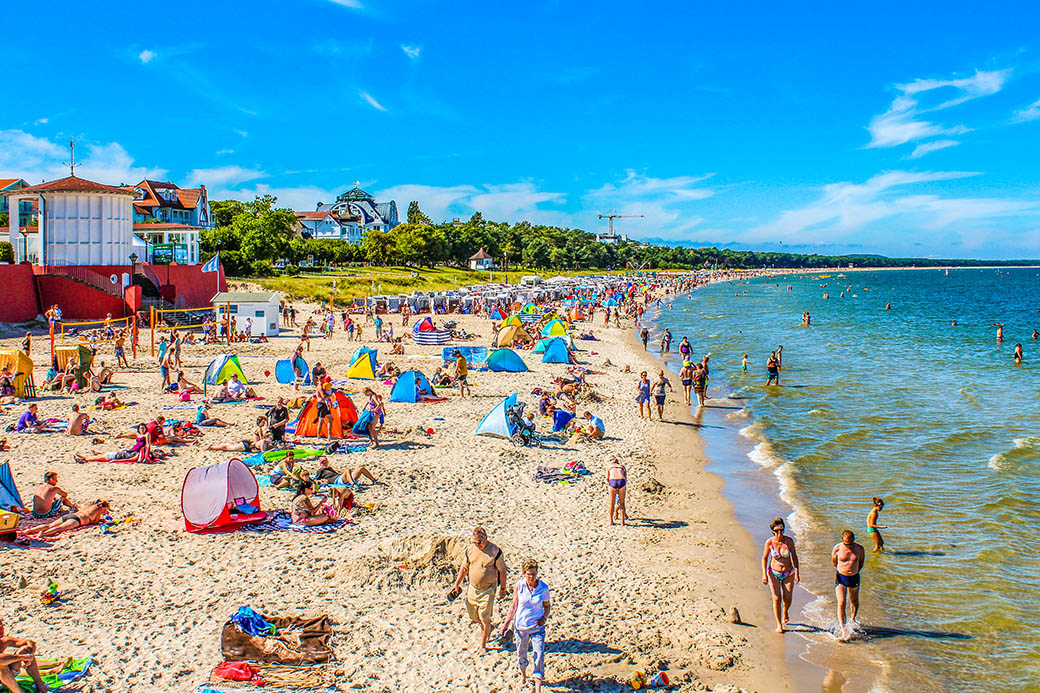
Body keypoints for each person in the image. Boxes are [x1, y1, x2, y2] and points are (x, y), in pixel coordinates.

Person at [450, 527, 508, 651]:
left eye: (480, 542)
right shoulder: (470, 550)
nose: (477, 545)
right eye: (475, 542)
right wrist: (457, 584)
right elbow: (464, 568)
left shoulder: (495, 551)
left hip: (488, 589)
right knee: (473, 615)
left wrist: (503, 588)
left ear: (485, 538)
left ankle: (483, 645)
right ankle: (488, 628)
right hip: (472, 588)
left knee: (484, 617)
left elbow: (502, 571)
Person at [498, 558, 551, 693]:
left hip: (537, 627)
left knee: (538, 654)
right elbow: (514, 606)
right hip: (521, 627)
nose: (532, 577)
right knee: (522, 654)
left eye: (534, 574)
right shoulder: (519, 586)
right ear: (524, 574)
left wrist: (544, 617)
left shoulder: (543, 588)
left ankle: (538, 686)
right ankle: (523, 676)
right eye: (529, 574)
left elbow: (547, 605)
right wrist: (506, 624)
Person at [761, 517, 799, 634]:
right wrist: (764, 574)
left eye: (782, 530)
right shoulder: (770, 542)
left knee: (787, 597)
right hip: (774, 573)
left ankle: (785, 611)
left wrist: (797, 573)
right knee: (777, 598)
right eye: (777, 530)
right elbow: (765, 558)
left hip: (788, 573)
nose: (780, 533)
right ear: (773, 531)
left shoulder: (789, 541)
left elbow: (794, 557)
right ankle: (779, 624)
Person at [0, 617, 50, 693]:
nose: (1, 630)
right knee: (2, 665)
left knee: (25, 650)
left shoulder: (4, 641)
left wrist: (29, 654)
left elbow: (29, 642)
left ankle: (40, 685)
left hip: (4, 678)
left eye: (2, 626)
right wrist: (21, 658)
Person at [832, 530, 866, 641]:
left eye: (850, 544)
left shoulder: (859, 549)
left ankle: (852, 619)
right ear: (842, 541)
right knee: (841, 602)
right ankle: (844, 630)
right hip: (841, 577)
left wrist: (854, 571)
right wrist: (842, 570)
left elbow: (861, 563)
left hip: (854, 577)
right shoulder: (837, 548)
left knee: (854, 601)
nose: (849, 546)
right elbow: (834, 562)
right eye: (846, 544)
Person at [22, 500, 110, 539]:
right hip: (77, 520)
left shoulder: (88, 505)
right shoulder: (99, 510)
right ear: (103, 507)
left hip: (70, 515)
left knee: (49, 525)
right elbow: (95, 522)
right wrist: (101, 520)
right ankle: (42, 534)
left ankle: (29, 530)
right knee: (59, 528)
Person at [314, 457, 379, 488]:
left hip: (342, 478)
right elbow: (316, 481)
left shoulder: (330, 468)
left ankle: (373, 480)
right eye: (322, 463)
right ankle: (353, 484)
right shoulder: (320, 471)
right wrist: (322, 480)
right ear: (320, 464)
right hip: (337, 481)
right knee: (347, 470)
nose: (324, 463)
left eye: (325, 462)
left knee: (361, 469)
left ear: (327, 462)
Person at [606, 458, 627, 526]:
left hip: (613, 481)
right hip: (621, 481)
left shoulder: (609, 466)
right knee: (622, 503)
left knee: (612, 503)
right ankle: (622, 522)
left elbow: (607, 478)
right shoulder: (622, 466)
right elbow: (625, 478)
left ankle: (611, 521)